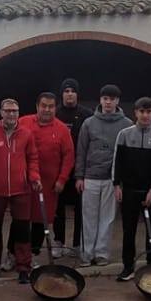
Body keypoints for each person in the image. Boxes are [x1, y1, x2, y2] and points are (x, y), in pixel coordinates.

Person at [0, 98, 42, 282]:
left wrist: (34, 177)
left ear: (18, 113)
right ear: (1, 112)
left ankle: (23, 266)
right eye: (7, 111)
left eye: (14, 111)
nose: (11, 114)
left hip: (21, 189)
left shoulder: (26, 133)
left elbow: (32, 158)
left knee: (23, 228)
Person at [113, 98, 151, 282]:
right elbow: (117, 162)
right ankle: (128, 267)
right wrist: (116, 185)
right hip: (129, 190)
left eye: (149, 111)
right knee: (128, 230)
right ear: (135, 113)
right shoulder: (124, 134)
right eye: (141, 111)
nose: (145, 115)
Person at [76, 85, 131, 267]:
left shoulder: (127, 125)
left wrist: (121, 181)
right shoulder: (88, 123)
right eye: (105, 98)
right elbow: (81, 151)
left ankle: (101, 253)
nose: (108, 102)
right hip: (90, 177)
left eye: (112, 99)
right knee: (89, 216)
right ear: (100, 100)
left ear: (117, 101)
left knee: (107, 218)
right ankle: (86, 253)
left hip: (112, 180)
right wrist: (79, 176)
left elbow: (128, 155)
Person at [25, 92, 76, 267]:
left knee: (41, 219)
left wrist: (62, 179)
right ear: (37, 106)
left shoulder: (62, 129)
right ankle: (13, 254)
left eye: (51, 106)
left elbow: (69, 156)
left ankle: (33, 254)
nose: (47, 109)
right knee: (21, 219)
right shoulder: (23, 122)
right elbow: (5, 128)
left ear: (55, 108)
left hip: (49, 186)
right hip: (24, 183)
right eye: (44, 106)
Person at [54, 78, 93, 251]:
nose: (69, 94)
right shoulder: (54, 113)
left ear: (77, 94)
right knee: (58, 208)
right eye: (66, 91)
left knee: (80, 208)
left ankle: (78, 243)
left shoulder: (86, 114)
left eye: (72, 91)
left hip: (79, 169)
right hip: (59, 169)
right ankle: (58, 241)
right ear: (62, 94)